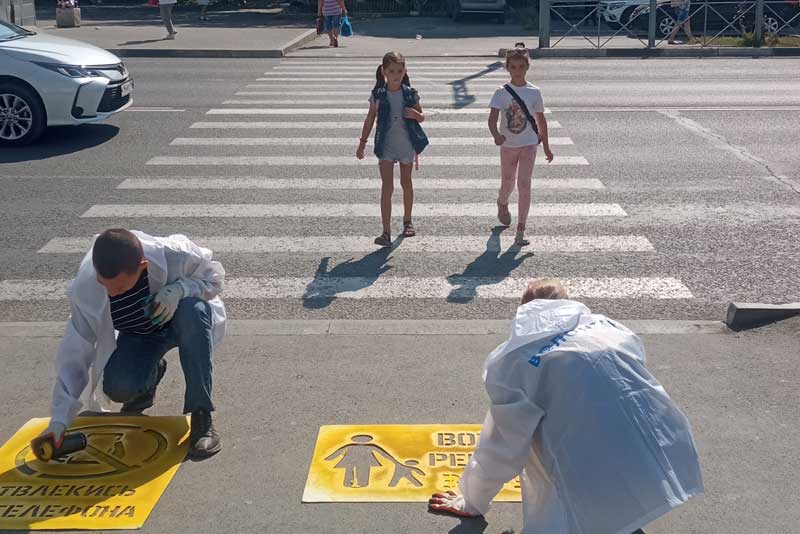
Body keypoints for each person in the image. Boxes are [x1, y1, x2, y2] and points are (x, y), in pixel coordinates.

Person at [429, 278, 704, 534]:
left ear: (524, 311)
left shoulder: (515, 360)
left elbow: (502, 446)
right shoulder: (608, 328)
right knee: (623, 512)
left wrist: (472, 501)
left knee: (577, 499)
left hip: (588, 473)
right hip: (658, 452)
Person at [34, 229, 226, 460]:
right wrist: (59, 420)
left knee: (194, 312)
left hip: (183, 324)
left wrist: (179, 290)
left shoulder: (175, 255)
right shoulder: (85, 288)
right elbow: (75, 351)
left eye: (121, 288)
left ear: (143, 265)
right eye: (106, 286)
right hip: (139, 335)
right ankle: (150, 376)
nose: (112, 293)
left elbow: (213, 279)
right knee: (118, 387)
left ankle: (201, 415)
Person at [356, 51, 428, 247]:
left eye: (399, 70)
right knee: (387, 186)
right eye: (391, 71)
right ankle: (386, 232)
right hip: (385, 144)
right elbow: (370, 118)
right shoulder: (378, 95)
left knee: (406, 182)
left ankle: (407, 221)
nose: (396, 74)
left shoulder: (410, 93)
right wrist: (362, 143)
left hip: (406, 144)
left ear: (405, 71)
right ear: (384, 72)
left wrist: (414, 114)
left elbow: (421, 117)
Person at [488, 43, 554, 247]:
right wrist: (496, 134)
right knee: (508, 183)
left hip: (529, 144)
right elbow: (492, 119)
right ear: (508, 68)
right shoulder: (501, 92)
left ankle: (521, 228)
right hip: (508, 145)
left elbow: (541, 121)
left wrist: (547, 146)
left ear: (527, 67)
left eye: (521, 67)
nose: (517, 71)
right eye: (513, 67)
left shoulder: (534, 92)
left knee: (524, 184)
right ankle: (502, 202)